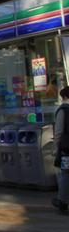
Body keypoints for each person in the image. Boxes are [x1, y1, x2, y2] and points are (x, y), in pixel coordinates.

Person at [53, 86, 69, 215]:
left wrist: (56, 149)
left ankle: (62, 201)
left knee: (65, 174)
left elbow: (58, 132)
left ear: (64, 97)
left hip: (66, 150)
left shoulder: (63, 110)